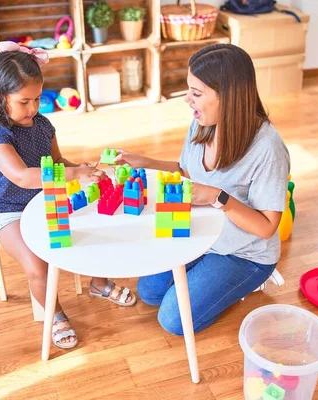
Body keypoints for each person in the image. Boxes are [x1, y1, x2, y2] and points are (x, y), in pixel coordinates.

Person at [114, 43, 290, 335]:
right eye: (189, 90)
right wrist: (144, 163)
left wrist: (219, 198)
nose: (187, 100)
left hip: (243, 254)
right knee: (149, 292)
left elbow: (267, 228)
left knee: (173, 320)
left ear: (229, 98)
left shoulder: (268, 149)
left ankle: (250, 282)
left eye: (196, 93)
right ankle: (208, 276)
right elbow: (186, 174)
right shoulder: (202, 122)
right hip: (202, 233)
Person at [0, 42, 136, 350]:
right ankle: (55, 315)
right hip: (10, 211)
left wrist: (79, 168)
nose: (34, 108)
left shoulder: (43, 124)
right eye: (24, 101)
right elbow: (22, 176)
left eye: (38, 98)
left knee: (96, 226)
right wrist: (73, 176)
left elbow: (57, 163)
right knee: (37, 266)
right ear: (1, 98)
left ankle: (99, 283)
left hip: (47, 199)